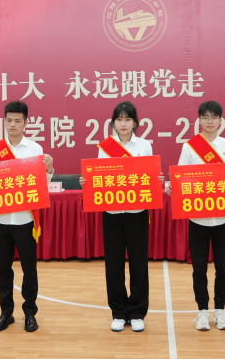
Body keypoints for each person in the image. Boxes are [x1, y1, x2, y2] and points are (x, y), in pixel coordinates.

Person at [0, 101, 54, 333]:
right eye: (9, 120)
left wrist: (49, 169)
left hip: (25, 220)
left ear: (26, 123)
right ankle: (6, 313)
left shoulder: (35, 149)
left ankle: (30, 313)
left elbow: (42, 186)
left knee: (29, 268)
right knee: (4, 268)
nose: (13, 125)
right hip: (0, 220)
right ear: (4, 121)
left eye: (18, 121)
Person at [79, 101, 152, 333]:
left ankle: (137, 312)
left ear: (135, 123)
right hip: (112, 213)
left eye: (127, 119)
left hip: (137, 213)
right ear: (113, 123)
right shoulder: (106, 147)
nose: (123, 124)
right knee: (114, 264)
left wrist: (155, 179)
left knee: (139, 263)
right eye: (119, 119)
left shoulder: (144, 145)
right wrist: (87, 181)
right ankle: (119, 312)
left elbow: (147, 176)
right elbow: (101, 177)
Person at [173, 100, 225, 332]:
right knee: (199, 268)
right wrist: (175, 188)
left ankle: (220, 310)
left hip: (224, 217)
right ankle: (202, 311)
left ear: (221, 120)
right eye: (205, 117)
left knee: (223, 268)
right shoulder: (190, 147)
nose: (210, 121)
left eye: (214, 117)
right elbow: (181, 177)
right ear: (199, 120)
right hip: (198, 218)